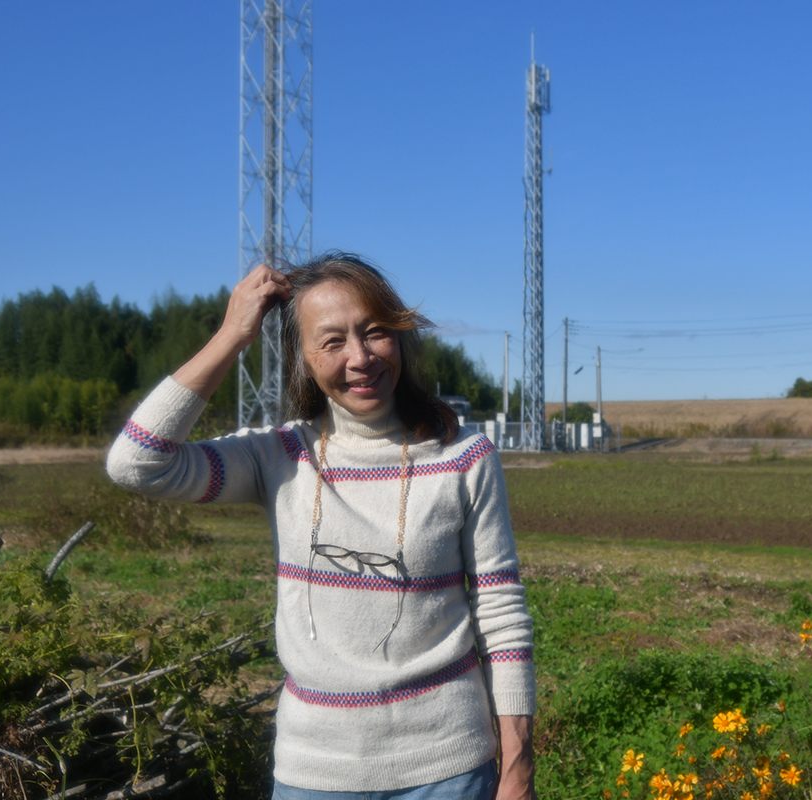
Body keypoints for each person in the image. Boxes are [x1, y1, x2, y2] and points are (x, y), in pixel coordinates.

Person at [106, 253, 536, 800]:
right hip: (315, 775)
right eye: (332, 342)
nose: (360, 358)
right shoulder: (281, 456)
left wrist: (517, 770)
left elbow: (502, 616)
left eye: (376, 332)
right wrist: (232, 336)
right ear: (302, 358)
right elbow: (136, 463)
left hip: (446, 769)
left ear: (400, 336)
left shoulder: (464, 458)